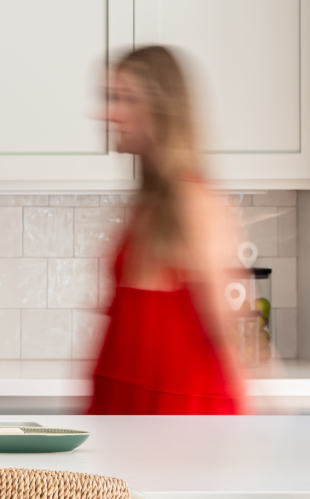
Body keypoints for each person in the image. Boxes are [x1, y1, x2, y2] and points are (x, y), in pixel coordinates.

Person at [87, 46, 248, 415]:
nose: (109, 113)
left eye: (126, 99)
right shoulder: (150, 206)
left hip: (178, 421)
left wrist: (260, 432)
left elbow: (228, 334)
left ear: (161, 110)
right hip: (131, 413)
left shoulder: (194, 202)